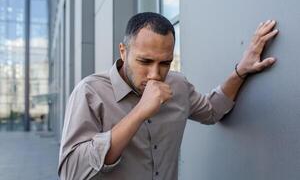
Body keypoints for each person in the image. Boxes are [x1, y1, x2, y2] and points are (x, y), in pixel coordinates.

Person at [58, 12, 278, 180]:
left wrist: (241, 70)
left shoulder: (178, 85)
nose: (155, 74)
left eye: (165, 63)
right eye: (145, 61)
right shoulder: (90, 92)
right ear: (123, 52)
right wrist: (139, 113)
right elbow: (71, 172)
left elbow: (213, 111)